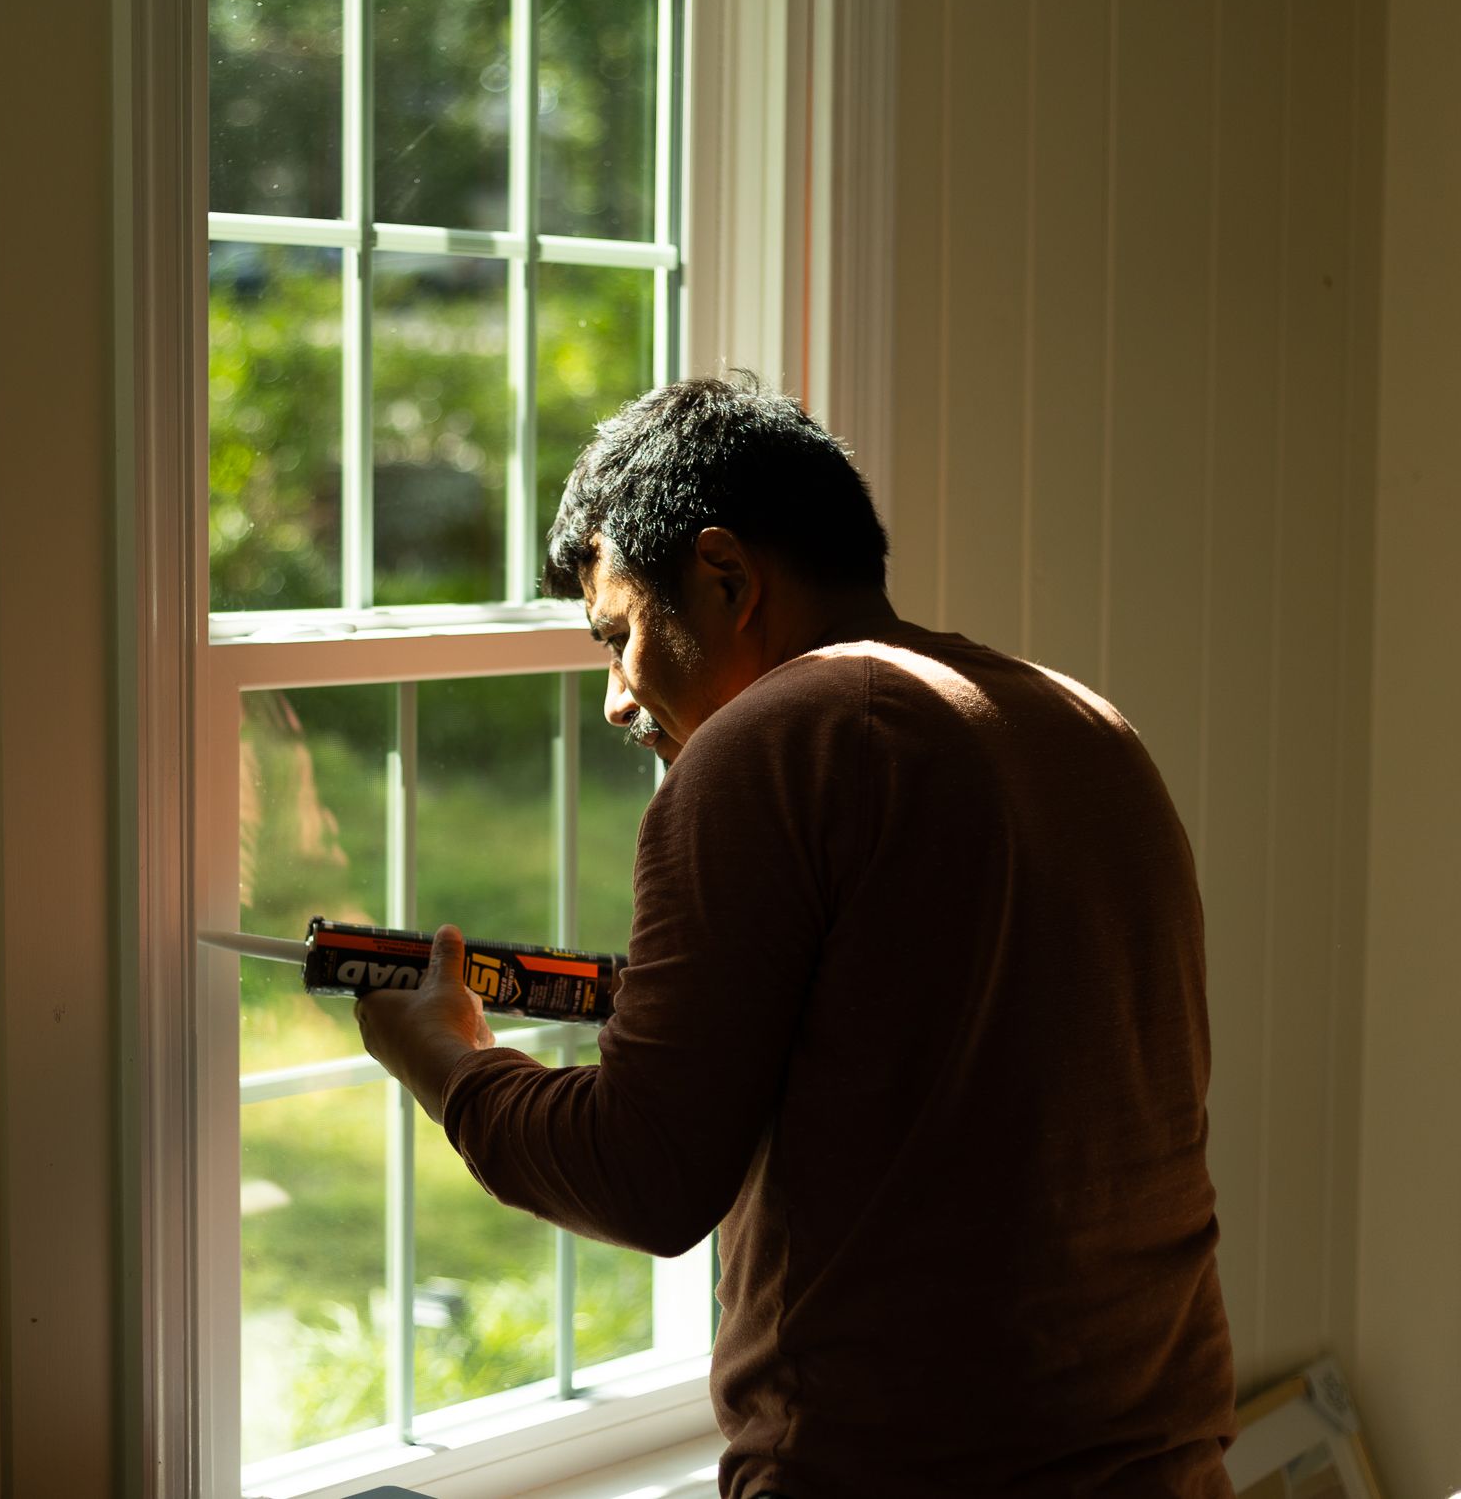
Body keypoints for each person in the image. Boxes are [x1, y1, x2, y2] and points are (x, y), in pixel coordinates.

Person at [354, 375, 1236, 1498]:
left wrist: (448, 1062)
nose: (618, 697)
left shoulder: (772, 744)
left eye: (619, 635)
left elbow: (645, 1176)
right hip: (1161, 1459)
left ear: (724, 578)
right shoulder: (1081, 724)